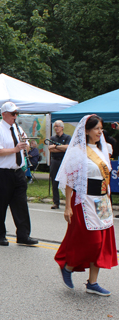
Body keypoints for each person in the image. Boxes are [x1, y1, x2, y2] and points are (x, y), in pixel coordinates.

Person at [55, 115, 117, 296]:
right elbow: (69, 180)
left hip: (103, 201)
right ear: (87, 131)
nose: (100, 132)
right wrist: (67, 206)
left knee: (102, 243)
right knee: (92, 242)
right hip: (85, 200)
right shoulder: (77, 152)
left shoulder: (103, 150)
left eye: (101, 128)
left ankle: (92, 282)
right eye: (96, 128)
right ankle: (68, 267)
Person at [0, 102, 38, 246]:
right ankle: (0, 235)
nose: (15, 116)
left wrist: (26, 145)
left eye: (16, 114)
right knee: (1, 204)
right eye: (12, 114)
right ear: (4, 114)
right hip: (3, 173)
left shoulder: (17, 128)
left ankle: (23, 236)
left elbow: (26, 145)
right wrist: (15, 149)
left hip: (18, 172)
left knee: (21, 204)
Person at [48, 120, 71, 209]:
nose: (56, 128)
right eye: (55, 126)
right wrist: (61, 147)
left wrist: (56, 146)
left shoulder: (67, 137)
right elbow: (50, 148)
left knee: (67, 181)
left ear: (62, 127)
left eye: (57, 126)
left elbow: (68, 148)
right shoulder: (53, 138)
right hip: (55, 160)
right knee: (54, 181)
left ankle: (68, 202)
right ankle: (56, 202)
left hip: (64, 160)